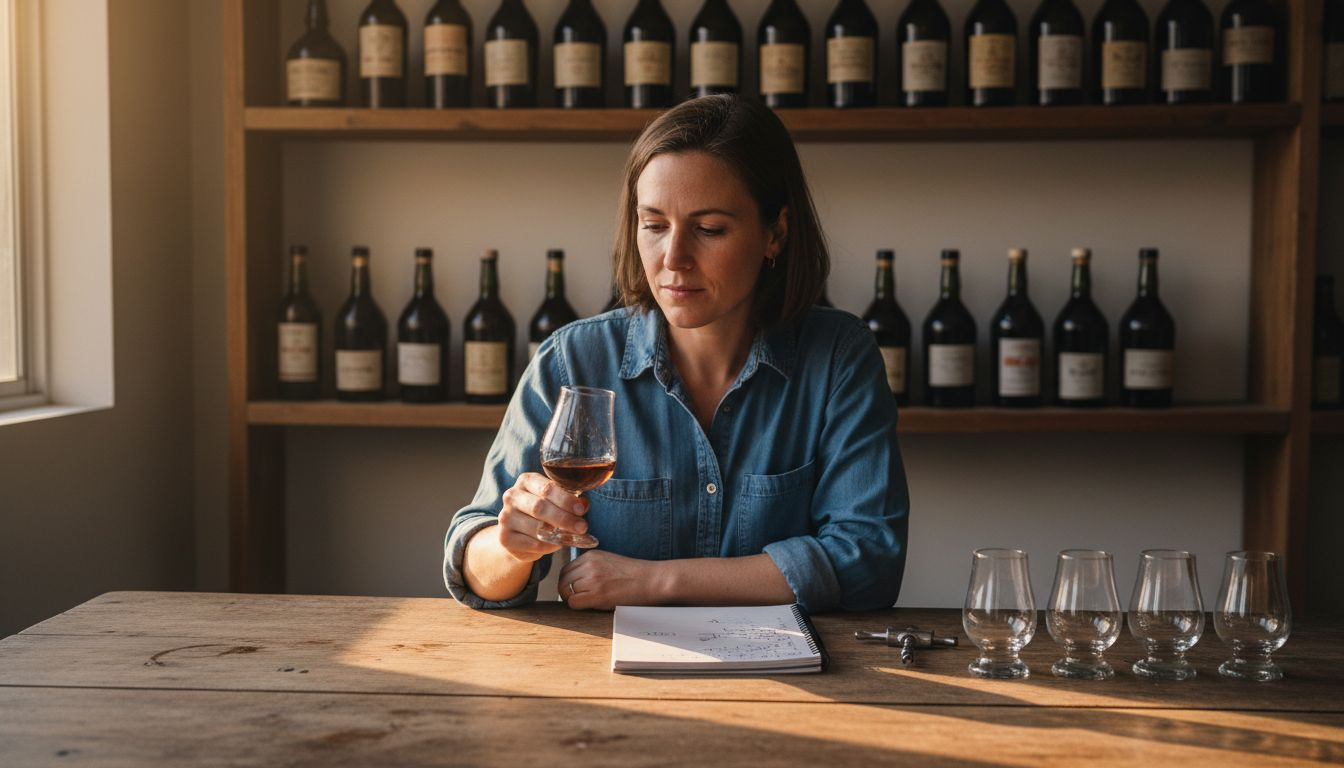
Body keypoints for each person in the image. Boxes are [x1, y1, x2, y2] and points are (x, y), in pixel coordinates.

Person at [443, 95, 908, 613]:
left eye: (709, 229)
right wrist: (510, 546)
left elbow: (869, 561)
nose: (673, 258)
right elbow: (474, 563)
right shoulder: (573, 358)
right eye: (654, 225)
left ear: (775, 233)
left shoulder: (839, 357)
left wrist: (656, 581)